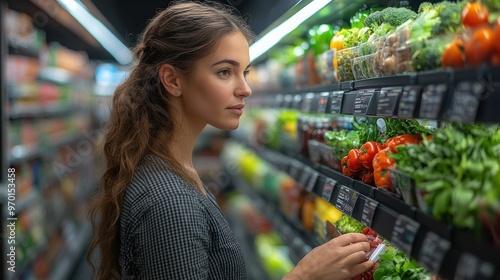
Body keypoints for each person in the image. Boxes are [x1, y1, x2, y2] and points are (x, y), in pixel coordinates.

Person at [87, 1, 375, 279]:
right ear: (173, 80)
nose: (246, 89)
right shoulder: (171, 202)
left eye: (245, 72)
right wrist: (305, 276)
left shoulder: (173, 170)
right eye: (225, 72)